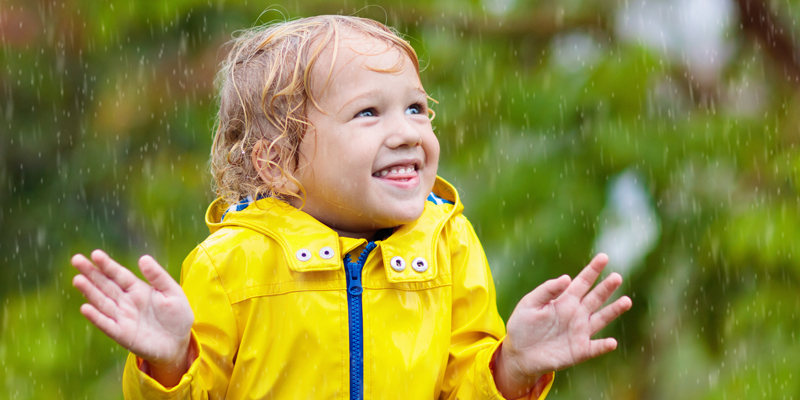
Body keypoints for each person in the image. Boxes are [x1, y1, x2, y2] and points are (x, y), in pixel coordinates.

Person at [70, 15, 632, 399]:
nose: (407, 132)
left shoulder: (447, 246)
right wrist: (168, 363)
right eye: (369, 113)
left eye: (416, 108)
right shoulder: (232, 264)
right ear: (274, 162)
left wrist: (512, 366)